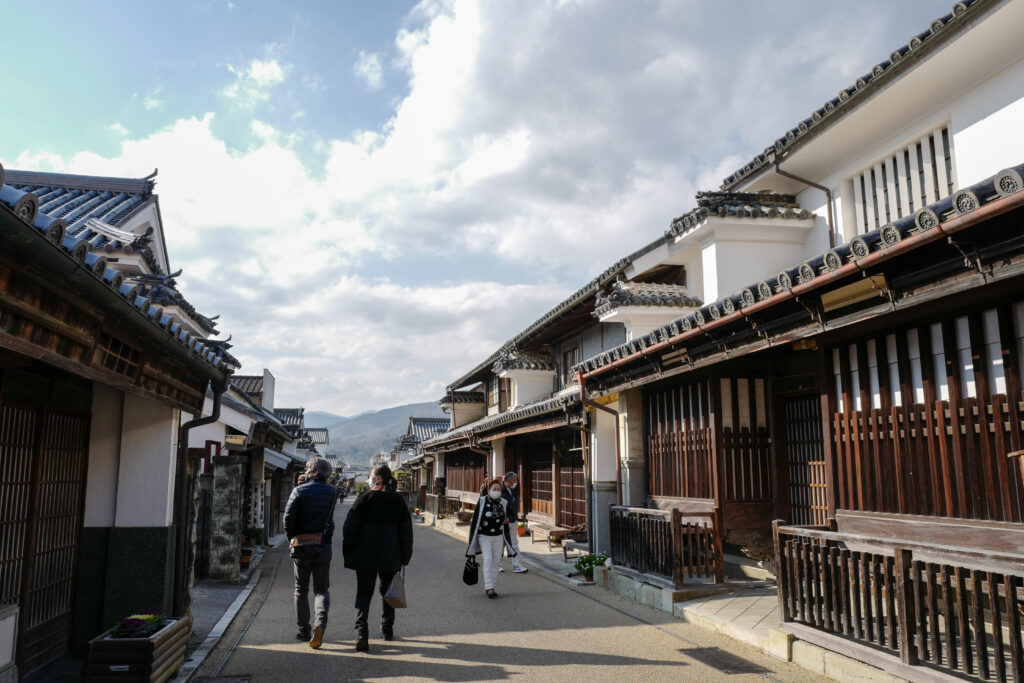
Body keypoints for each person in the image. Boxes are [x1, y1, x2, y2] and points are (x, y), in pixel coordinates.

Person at [343, 464, 413, 652]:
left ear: (379, 479)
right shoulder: (398, 501)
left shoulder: (363, 499)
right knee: (387, 592)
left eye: (371, 475)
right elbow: (406, 532)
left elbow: (349, 529)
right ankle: (387, 630)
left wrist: (349, 550)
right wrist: (405, 556)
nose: (369, 478)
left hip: (364, 556)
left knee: (364, 593)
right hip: (390, 556)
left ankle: (361, 633)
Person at [283, 457, 337, 649]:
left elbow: (288, 519)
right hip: (322, 544)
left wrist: (293, 539)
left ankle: (304, 630)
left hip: (301, 546)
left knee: (301, 589)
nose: (304, 470)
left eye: (307, 468)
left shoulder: (299, 491)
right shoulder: (333, 491)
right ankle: (320, 624)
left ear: (314, 472)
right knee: (321, 589)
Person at [465, 478, 517, 598]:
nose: (496, 491)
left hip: (498, 536)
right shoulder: (482, 501)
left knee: (496, 562)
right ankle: (489, 588)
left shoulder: (503, 502)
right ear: (489, 490)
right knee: (488, 559)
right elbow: (476, 520)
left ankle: (491, 586)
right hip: (484, 536)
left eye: (498, 489)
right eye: (494, 489)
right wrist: (471, 540)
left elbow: (512, 515)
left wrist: (508, 519)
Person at [500, 472, 528, 574]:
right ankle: (516, 565)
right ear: (510, 480)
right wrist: (504, 518)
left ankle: (499, 565)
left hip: (511, 520)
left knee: (506, 543)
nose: (516, 482)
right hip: (506, 522)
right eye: (515, 480)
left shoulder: (510, 490)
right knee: (511, 543)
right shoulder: (501, 490)